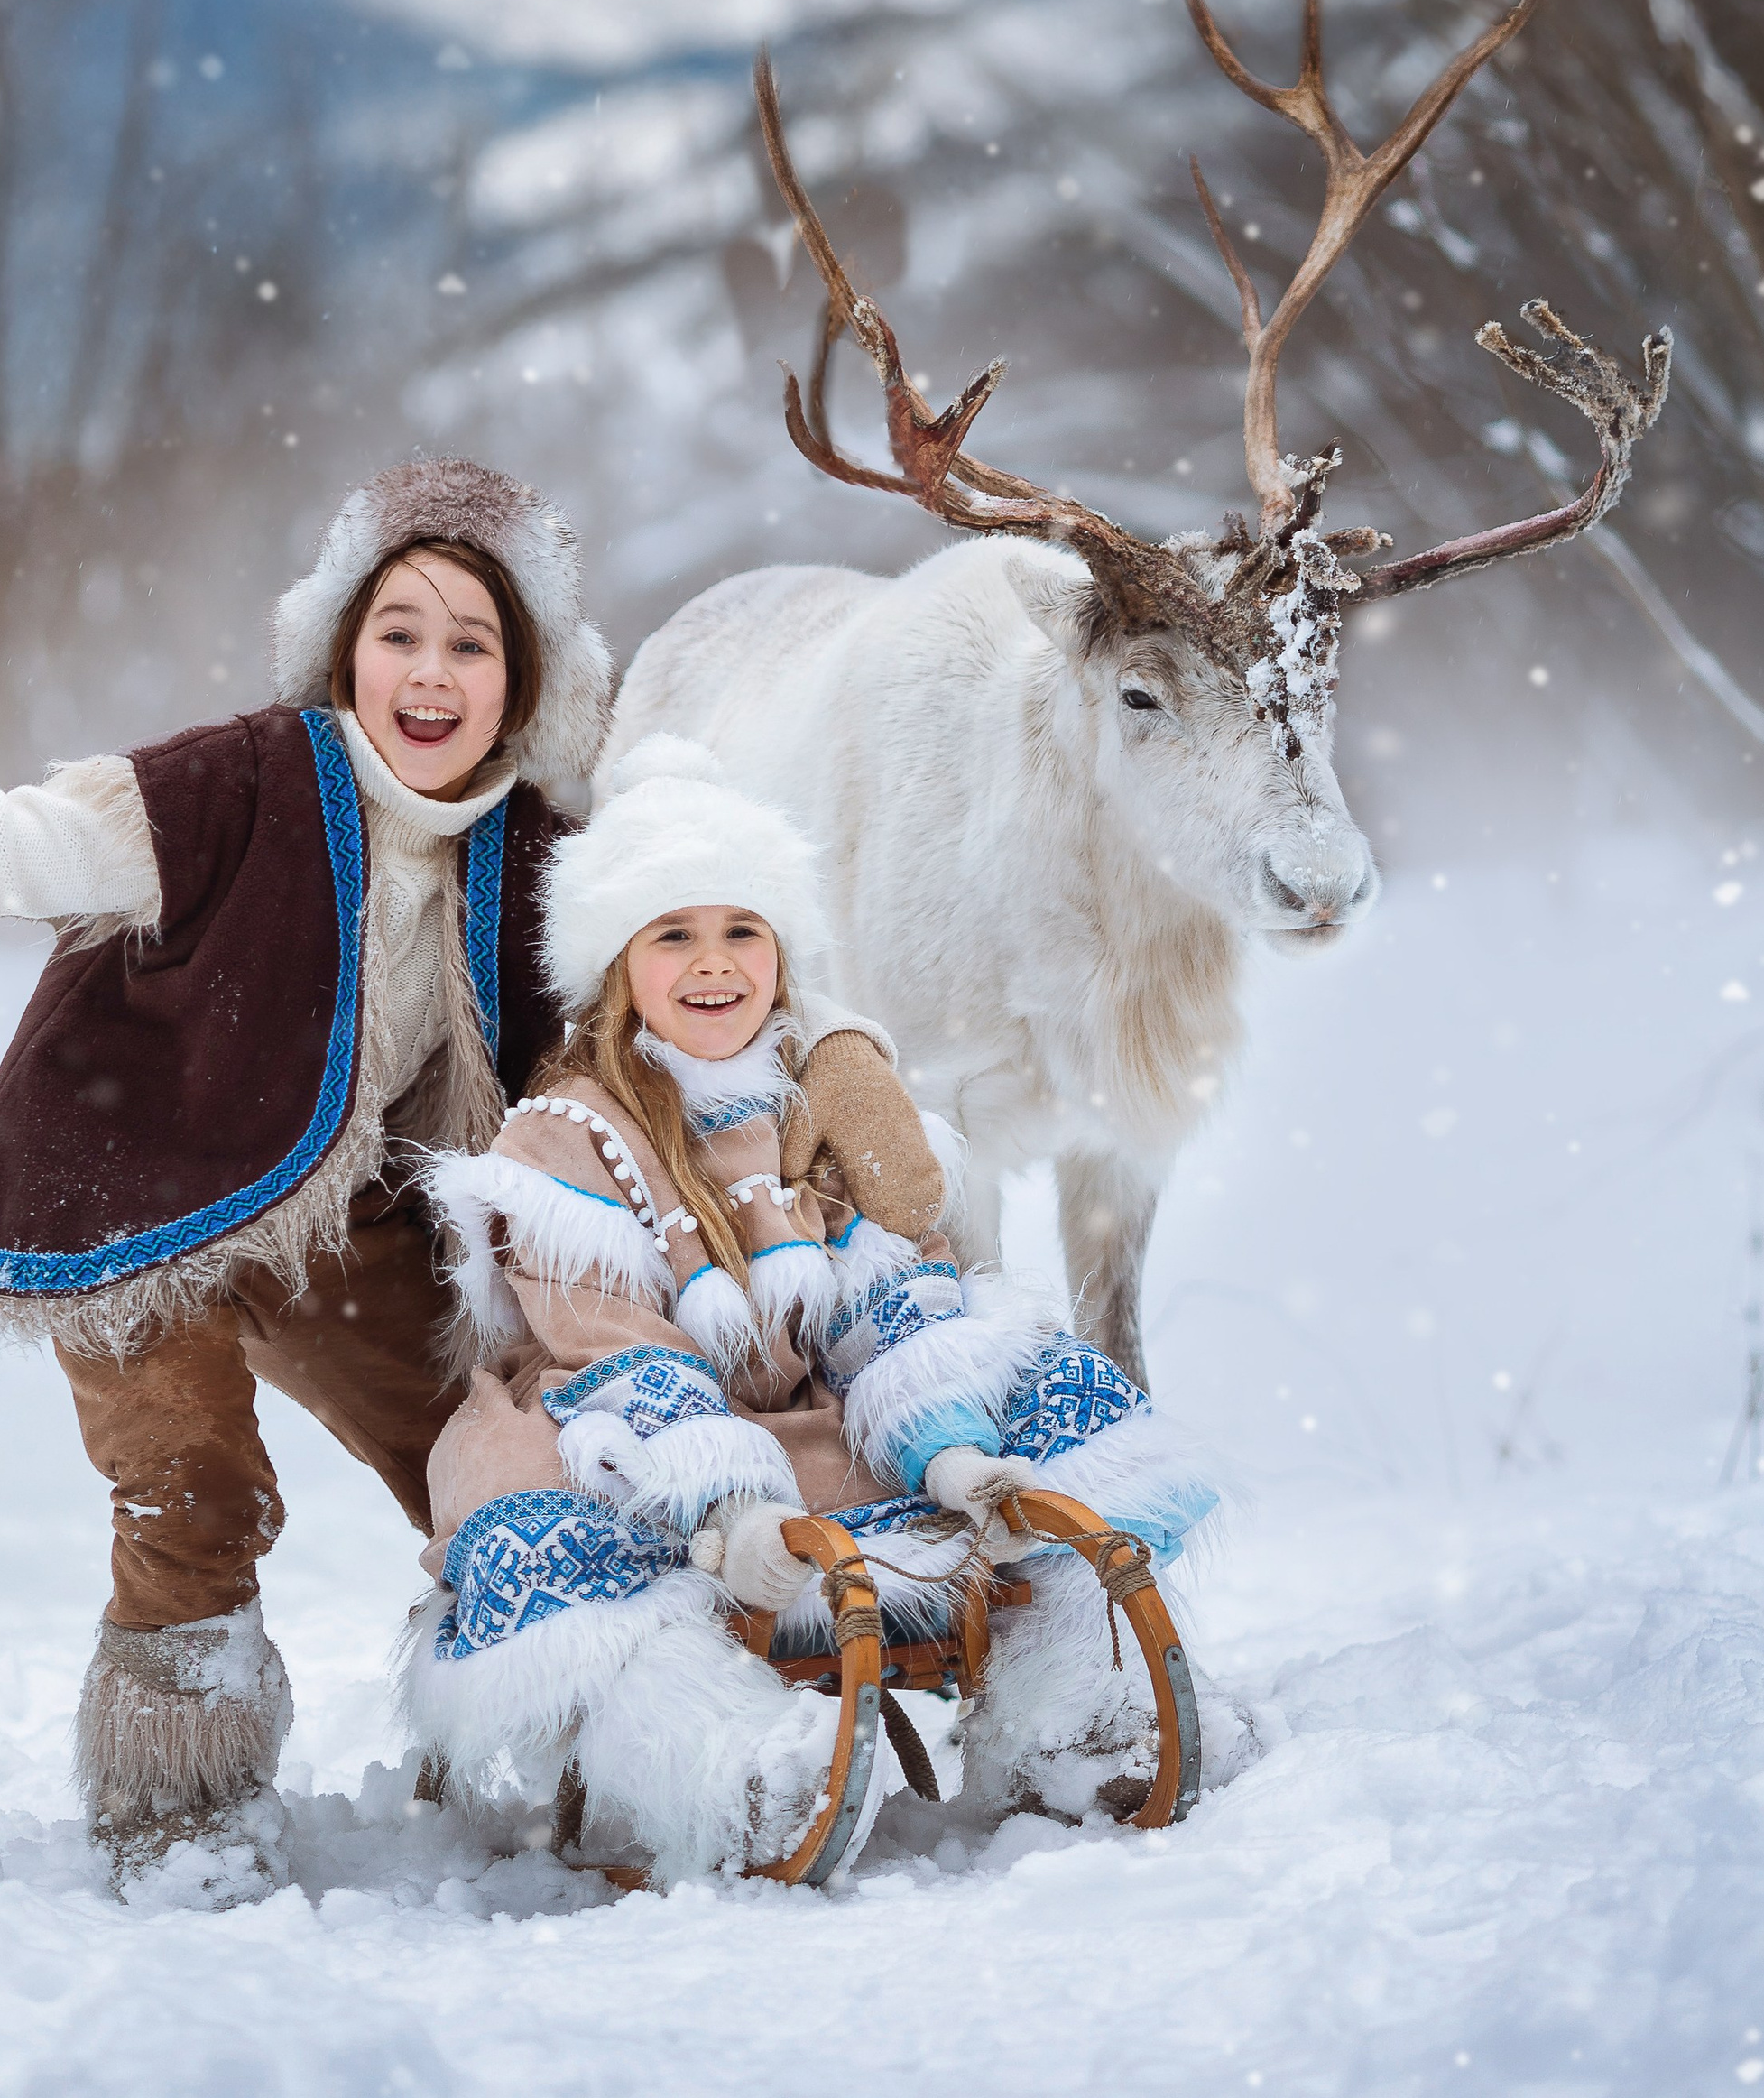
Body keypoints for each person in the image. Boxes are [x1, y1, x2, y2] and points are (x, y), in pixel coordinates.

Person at [0, 456, 610, 1892]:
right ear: (346, 646)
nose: (431, 670)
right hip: (140, 1195)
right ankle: (179, 1807)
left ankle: (534, 1738)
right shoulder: (235, 785)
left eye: (473, 640)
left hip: (359, 1217)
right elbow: (8, 845)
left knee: (491, 1455)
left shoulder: (542, 862)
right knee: (191, 1491)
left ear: (520, 680)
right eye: (401, 630)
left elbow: (648, 1014)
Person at [399, 736, 1218, 1882]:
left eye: (743, 929)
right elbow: (609, 1342)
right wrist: (729, 1508)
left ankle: (1072, 1710)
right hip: (609, 1429)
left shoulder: (809, 1098)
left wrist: (944, 1446)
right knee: (567, 1544)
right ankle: (724, 1773)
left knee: (1058, 1392)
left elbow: (890, 1286)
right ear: (616, 962)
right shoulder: (567, 1134)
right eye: (672, 934)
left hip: (809, 1417)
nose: (713, 962)